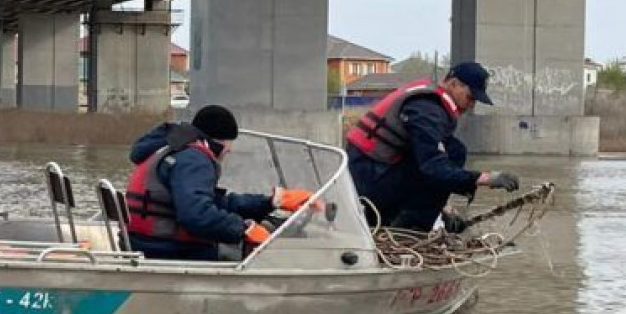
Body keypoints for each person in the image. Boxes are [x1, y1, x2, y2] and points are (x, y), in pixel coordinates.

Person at [346, 61, 521, 233]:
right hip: (368, 182)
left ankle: (409, 222)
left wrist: (444, 210)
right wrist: (486, 178)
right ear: (453, 84)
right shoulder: (427, 110)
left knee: (453, 148)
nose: (471, 105)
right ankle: (409, 232)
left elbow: (420, 160)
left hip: (374, 174)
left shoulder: (428, 101)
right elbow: (433, 166)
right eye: (470, 97)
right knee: (453, 153)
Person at [125, 104, 316, 261]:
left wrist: (269, 202)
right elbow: (197, 215)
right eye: (230, 142)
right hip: (169, 250)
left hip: (146, 242)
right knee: (253, 257)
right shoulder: (194, 160)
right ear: (220, 141)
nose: (230, 150)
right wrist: (243, 228)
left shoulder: (174, 150)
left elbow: (211, 203)